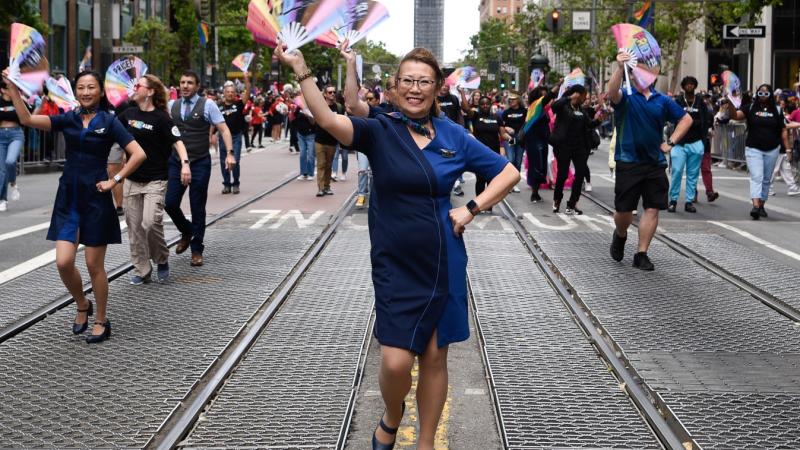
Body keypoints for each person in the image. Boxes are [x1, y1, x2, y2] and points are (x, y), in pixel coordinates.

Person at [277, 42, 518, 450]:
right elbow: (327, 117)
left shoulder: (454, 136)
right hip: (394, 263)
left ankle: (424, 443)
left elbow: (509, 173)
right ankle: (392, 414)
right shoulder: (379, 130)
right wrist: (301, 69)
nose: (415, 88)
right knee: (395, 361)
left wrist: (471, 209)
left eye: (423, 81)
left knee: (435, 357)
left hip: (443, 259)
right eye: (407, 80)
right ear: (394, 87)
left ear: (437, 87)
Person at [2, 68, 146, 342]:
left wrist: (114, 180)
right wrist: (13, 87)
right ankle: (82, 303)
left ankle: (102, 319)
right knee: (63, 262)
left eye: (91, 87)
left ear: (100, 91)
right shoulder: (68, 119)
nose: (86, 92)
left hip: (96, 198)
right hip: (69, 197)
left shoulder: (109, 121)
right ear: (75, 91)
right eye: (81, 87)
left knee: (95, 266)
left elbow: (138, 154)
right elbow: (26, 118)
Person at [606, 51, 692, 271]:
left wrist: (671, 142)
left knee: (652, 208)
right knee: (623, 211)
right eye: (637, 71)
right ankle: (621, 233)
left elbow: (686, 119)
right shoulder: (626, 97)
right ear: (632, 76)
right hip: (628, 161)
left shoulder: (662, 100)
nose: (643, 75)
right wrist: (619, 67)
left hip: (654, 163)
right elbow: (611, 91)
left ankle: (641, 253)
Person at [118, 74, 191, 284]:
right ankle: (142, 270)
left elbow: (178, 142)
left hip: (155, 180)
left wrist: (185, 164)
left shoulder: (161, 118)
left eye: (138, 85)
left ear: (149, 92)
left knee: (150, 223)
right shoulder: (128, 113)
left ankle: (161, 258)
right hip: (132, 180)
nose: (134, 87)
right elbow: (110, 130)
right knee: (134, 228)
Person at [166, 70, 235, 267]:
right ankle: (187, 230)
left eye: (189, 83)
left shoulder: (208, 105)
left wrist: (229, 153)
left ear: (197, 86)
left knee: (197, 206)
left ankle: (197, 249)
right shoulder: (172, 106)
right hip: (176, 161)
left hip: (199, 162)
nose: (185, 86)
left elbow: (223, 129)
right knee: (170, 203)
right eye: (182, 82)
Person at [726, 84, 790, 219]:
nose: (763, 96)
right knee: (757, 176)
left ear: (771, 95)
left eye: (766, 93)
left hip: (772, 149)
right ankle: (755, 206)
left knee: (767, 179)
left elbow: (784, 130)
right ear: (757, 94)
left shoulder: (777, 110)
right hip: (753, 148)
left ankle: (761, 205)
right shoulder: (750, 107)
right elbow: (735, 116)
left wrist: (788, 148)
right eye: (760, 93)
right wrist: (731, 102)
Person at [549, 84, 597, 215]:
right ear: (577, 95)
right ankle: (557, 199)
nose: (585, 98)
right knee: (562, 174)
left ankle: (572, 203)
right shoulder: (563, 106)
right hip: (563, 146)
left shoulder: (581, 109)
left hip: (579, 147)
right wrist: (569, 97)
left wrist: (598, 120)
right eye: (584, 96)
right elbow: (553, 107)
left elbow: (589, 124)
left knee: (580, 173)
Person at [669, 76, 713, 213]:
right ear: (683, 86)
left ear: (695, 86)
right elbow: (673, 118)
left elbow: (706, 120)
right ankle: (673, 200)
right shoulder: (678, 101)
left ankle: (689, 201)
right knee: (676, 171)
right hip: (679, 143)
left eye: (692, 84)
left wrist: (702, 138)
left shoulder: (700, 102)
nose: (689, 86)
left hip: (696, 142)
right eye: (687, 84)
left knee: (693, 174)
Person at [523, 85, 556, 202]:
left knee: (541, 166)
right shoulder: (535, 107)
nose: (545, 97)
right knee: (535, 166)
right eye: (543, 95)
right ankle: (534, 193)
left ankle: (536, 191)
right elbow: (550, 97)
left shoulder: (543, 109)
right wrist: (558, 85)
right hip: (533, 140)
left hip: (543, 140)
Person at [219, 74, 250, 194]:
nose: (230, 94)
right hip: (222, 138)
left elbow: (247, 93)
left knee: (235, 160)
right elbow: (214, 122)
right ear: (224, 93)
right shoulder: (219, 106)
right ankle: (227, 184)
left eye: (232, 92)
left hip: (236, 137)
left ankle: (236, 183)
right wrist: (211, 135)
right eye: (228, 92)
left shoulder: (238, 104)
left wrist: (246, 80)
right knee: (223, 161)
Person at [472, 95, 506, 205]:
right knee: (480, 179)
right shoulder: (475, 116)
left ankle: (488, 204)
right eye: (482, 104)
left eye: (487, 104)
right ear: (479, 105)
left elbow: (503, 135)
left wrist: (515, 142)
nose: (485, 105)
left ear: (490, 105)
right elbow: (466, 108)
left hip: (493, 154)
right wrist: (462, 93)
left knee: (491, 180)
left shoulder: (497, 118)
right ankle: (479, 204)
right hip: (479, 154)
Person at [0, 80, 27, 212]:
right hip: (0, 136)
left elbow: (27, 116)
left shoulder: (19, 101)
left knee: (10, 161)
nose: (12, 91)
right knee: (1, 170)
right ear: (3, 90)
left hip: (16, 134)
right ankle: (2, 199)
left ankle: (13, 183)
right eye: (9, 89)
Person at [313, 85, 343, 197]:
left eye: (334, 92)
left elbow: (341, 122)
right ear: (325, 94)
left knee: (329, 165)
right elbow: (314, 121)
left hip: (332, 140)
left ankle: (327, 186)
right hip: (320, 140)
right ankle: (320, 188)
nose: (332, 94)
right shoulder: (319, 107)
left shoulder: (339, 107)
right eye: (330, 92)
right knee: (321, 164)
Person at [501, 92, 526, 193]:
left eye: (513, 99)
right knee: (511, 159)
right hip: (510, 138)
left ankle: (514, 183)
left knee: (518, 161)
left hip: (520, 138)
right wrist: (507, 128)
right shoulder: (506, 112)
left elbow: (527, 123)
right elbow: (501, 126)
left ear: (518, 100)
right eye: (510, 99)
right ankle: (508, 183)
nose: (511, 101)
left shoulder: (525, 111)